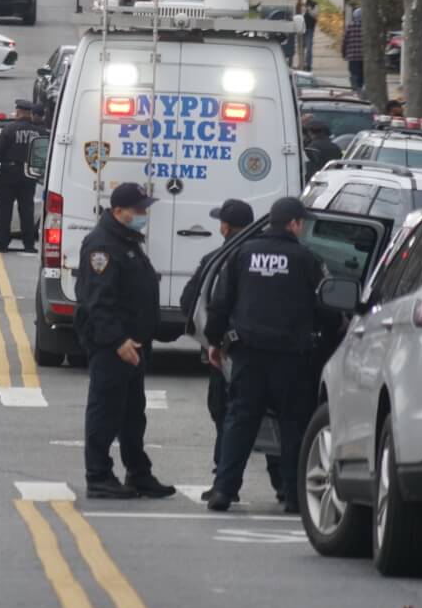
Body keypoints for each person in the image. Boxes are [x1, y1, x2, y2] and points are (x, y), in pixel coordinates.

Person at [202, 197, 325, 513]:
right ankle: (295, 498)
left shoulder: (243, 253)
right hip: (291, 359)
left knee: (240, 422)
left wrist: (214, 342)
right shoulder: (306, 259)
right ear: (294, 224)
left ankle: (223, 491)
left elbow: (220, 302)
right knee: (293, 428)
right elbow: (324, 307)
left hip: (248, 354)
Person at [74, 183, 177, 500]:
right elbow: (99, 302)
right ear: (119, 211)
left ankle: (138, 473)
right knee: (105, 411)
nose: (143, 215)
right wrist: (118, 341)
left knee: (133, 414)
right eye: (139, 210)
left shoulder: (126, 240)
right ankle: (99, 475)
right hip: (113, 345)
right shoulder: (102, 247)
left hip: (134, 343)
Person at [177, 199, 256, 480]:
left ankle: (224, 473)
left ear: (225, 227)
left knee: (225, 411)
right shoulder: (261, 257)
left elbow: (189, 301)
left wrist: (211, 338)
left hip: (225, 351)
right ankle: (285, 487)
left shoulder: (216, 260)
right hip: (270, 352)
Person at [0, 100, 46, 252]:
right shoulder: (40, 132)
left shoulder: (9, 129)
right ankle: (29, 245)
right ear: (30, 113)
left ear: (18, 112)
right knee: (27, 210)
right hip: (29, 174)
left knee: (4, 209)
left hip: (9, 173)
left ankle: (2, 242)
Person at [342, 6, 364, 94]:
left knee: (353, 74)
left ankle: (355, 90)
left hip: (352, 56)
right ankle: (361, 88)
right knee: (362, 75)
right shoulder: (367, 27)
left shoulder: (350, 26)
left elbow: (345, 41)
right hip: (363, 56)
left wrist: (343, 53)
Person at [300, 0, 318, 70]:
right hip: (300, 28)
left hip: (309, 28)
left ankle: (308, 64)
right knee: (301, 47)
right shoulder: (300, 4)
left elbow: (315, 15)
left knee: (309, 47)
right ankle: (302, 63)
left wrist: (309, 9)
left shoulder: (314, 4)